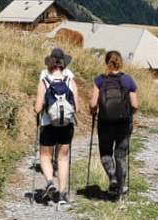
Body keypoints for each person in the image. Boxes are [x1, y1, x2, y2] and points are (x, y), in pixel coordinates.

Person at [88, 50, 139, 200]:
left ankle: (112, 178)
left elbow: (93, 103)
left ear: (106, 63)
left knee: (105, 153)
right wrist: (129, 114)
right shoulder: (127, 80)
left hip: (105, 122)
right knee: (121, 156)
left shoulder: (100, 80)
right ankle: (120, 191)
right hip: (123, 123)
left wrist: (93, 111)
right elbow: (135, 104)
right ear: (121, 62)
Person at [33, 49, 79, 208]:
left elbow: (38, 108)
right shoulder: (70, 81)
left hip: (48, 124)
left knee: (45, 156)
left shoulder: (44, 81)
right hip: (67, 125)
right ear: (63, 64)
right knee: (63, 158)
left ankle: (50, 182)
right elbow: (77, 108)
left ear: (50, 64)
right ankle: (62, 193)